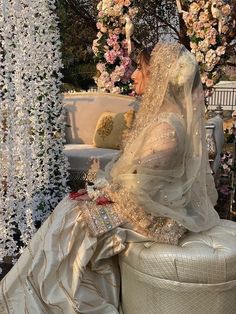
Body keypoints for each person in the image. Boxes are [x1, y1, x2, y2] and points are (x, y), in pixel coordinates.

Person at [0, 43, 220, 314]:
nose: (134, 76)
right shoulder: (163, 120)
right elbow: (135, 178)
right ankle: (35, 289)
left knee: (73, 218)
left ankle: (49, 297)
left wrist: (102, 195)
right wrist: (99, 191)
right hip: (144, 205)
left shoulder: (167, 129)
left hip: (154, 217)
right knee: (70, 210)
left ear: (159, 76)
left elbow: (144, 188)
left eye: (141, 69)